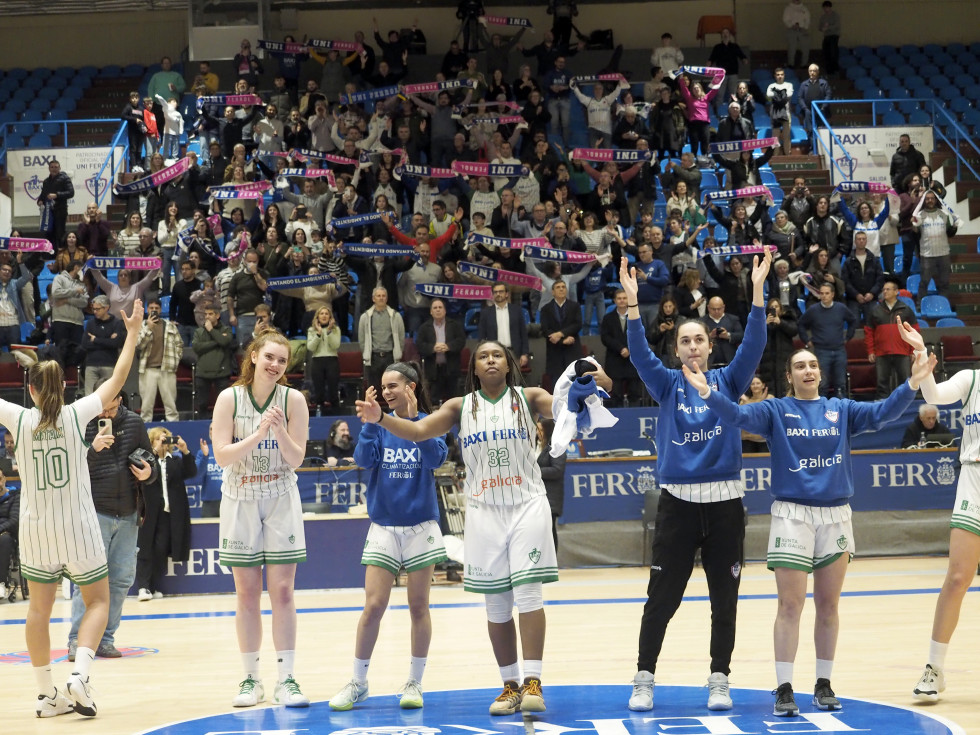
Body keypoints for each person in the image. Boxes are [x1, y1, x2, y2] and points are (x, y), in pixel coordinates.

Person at [356, 340, 611, 716]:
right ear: (473, 369)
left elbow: (585, 395)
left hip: (526, 505)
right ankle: (509, 685)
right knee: (496, 603)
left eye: (497, 356)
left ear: (509, 365)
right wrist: (379, 419)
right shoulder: (459, 407)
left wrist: (594, 378)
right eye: (482, 357)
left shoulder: (530, 396)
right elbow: (417, 432)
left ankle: (534, 681)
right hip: (482, 511)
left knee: (528, 595)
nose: (490, 360)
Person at [681, 341, 934, 716]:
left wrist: (911, 384)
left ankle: (823, 683)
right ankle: (784, 687)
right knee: (790, 605)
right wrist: (707, 392)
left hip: (836, 516)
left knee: (829, 605)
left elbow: (882, 413)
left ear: (821, 373)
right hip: (792, 515)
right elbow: (735, 416)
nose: (808, 370)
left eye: (813, 364)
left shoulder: (841, 410)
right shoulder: (775, 411)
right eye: (800, 366)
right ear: (789, 376)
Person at [619, 247, 772, 712]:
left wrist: (759, 292)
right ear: (678, 348)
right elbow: (641, 357)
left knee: (724, 598)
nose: (691, 347)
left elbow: (756, 345)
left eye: (698, 340)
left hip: (726, 505)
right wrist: (629, 305)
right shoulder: (666, 383)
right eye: (684, 341)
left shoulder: (728, 380)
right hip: (678, 505)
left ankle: (719, 677)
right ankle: (644, 677)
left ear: (709, 345)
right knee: (661, 598)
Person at [14, 299, 143, 718]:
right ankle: (80, 676)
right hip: (79, 525)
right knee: (98, 602)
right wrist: (133, 332)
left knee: (37, 611)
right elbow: (119, 375)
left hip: (35, 530)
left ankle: (46, 694)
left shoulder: (16, 419)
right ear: (65, 388)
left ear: (31, 390)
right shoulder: (76, 414)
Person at [329, 362, 448, 711]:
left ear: (411, 386)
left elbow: (436, 459)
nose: (387, 392)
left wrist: (413, 421)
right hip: (383, 525)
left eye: (393, 385)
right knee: (374, 605)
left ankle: (414, 682)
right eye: (383, 387)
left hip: (421, 526)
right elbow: (364, 461)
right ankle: (358, 681)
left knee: (418, 606)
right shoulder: (378, 425)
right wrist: (368, 425)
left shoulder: (430, 420)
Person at [211, 328, 310, 708]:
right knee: (247, 593)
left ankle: (287, 678)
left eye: (282, 361)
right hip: (240, 498)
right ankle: (251, 678)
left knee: (283, 591)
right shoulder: (228, 398)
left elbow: (296, 459)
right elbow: (222, 456)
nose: (275, 365)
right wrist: (259, 432)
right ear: (254, 356)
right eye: (269, 357)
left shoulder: (294, 400)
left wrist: (280, 429)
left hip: (281, 496)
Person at [136, 428, 196, 601]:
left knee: (161, 550)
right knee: (145, 548)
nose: (162, 443)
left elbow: (191, 472)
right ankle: (143, 587)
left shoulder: (175, 461)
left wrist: (184, 450)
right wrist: (154, 451)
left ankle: (152, 587)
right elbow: (139, 469)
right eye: (157, 439)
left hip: (168, 513)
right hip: (148, 512)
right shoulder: (147, 460)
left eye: (165, 440)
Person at [798, 283, 857, 398]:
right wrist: (806, 340)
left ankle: (841, 411)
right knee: (822, 384)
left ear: (833, 295)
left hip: (839, 350)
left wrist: (848, 336)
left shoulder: (841, 308)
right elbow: (801, 324)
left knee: (840, 384)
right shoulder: (813, 310)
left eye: (827, 293)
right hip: (821, 351)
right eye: (821, 293)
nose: (824, 296)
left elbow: (853, 321)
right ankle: (820, 409)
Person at [864, 277, 917, 398]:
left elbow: (914, 331)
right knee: (882, 382)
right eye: (883, 290)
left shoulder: (906, 310)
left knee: (905, 381)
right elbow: (868, 332)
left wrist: (913, 350)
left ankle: (905, 404)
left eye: (888, 289)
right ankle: (883, 406)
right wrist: (871, 351)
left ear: (896, 292)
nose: (885, 292)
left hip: (902, 351)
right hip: (881, 352)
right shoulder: (875, 310)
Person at [358, 287, 406, 407]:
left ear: (387, 298)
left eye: (383, 296)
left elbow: (401, 338)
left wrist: (397, 354)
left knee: (392, 389)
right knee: (374, 389)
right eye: (378, 296)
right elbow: (362, 339)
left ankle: (393, 414)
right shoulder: (365, 317)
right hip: (373, 358)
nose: (381, 298)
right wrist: (367, 353)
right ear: (373, 298)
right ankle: (374, 415)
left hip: (390, 357)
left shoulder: (395, 316)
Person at [137, 298, 183, 422]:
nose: (154, 310)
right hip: (147, 370)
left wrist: (175, 360)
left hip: (167, 369)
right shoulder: (142, 326)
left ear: (161, 310)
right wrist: (148, 329)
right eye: (151, 308)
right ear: (147, 310)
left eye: (156, 308)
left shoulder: (170, 326)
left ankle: (174, 431)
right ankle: (145, 433)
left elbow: (179, 345)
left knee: (171, 406)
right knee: (146, 406)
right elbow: (138, 345)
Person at [416, 299, 466, 406]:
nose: (438, 310)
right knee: (433, 401)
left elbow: (461, 341)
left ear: (445, 310)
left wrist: (449, 346)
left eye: (440, 307)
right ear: (431, 311)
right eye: (435, 308)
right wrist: (432, 348)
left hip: (451, 369)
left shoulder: (454, 325)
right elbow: (420, 345)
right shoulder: (424, 327)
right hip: (433, 371)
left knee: (454, 400)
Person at [600, 290, 644, 407]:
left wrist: (629, 349)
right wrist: (620, 348)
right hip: (615, 360)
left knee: (635, 393)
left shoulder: (636, 317)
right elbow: (605, 337)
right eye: (619, 298)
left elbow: (640, 335)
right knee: (615, 394)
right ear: (614, 301)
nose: (622, 300)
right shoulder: (608, 318)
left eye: (624, 298)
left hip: (633, 360)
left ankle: (634, 419)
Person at [191, 306, 235, 417]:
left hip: (222, 372)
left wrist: (211, 330)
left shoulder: (226, 329)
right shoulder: (199, 331)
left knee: (224, 403)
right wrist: (217, 341)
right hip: (202, 372)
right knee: (202, 404)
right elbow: (197, 347)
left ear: (218, 315)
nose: (207, 317)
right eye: (206, 314)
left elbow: (225, 342)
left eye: (210, 314)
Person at [540, 280, 582, 392]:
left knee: (575, 384)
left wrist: (560, 334)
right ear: (553, 292)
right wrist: (562, 341)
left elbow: (577, 324)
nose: (561, 289)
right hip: (555, 353)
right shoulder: (545, 309)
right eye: (558, 287)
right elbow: (545, 330)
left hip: (572, 350)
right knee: (557, 387)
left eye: (563, 287)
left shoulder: (575, 306)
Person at [478, 283, 530, 370]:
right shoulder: (486, 313)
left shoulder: (516, 310)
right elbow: (481, 336)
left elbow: (523, 333)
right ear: (492, 294)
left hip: (514, 353)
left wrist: (524, 354)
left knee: (514, 381)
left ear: (507, 294)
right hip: (494, 354)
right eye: (495, 292)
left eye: (501, 291)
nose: (498, 294)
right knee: (495, 382)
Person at [81, 296, 124, 397]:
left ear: (106, 308)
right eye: (93, 309)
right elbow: (85, 344)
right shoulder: (91, 323)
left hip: (109, 364)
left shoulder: (116, 323)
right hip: (91, 364)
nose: (95, 311)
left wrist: (96, 340)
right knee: (89, 397)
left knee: (110, 396)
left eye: (97, 309)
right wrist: (108, 340)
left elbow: (116, 343)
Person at [536, 419, 566, 552]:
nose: (537, 432)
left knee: (549, 530)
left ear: (548, 430)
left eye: (540, 430)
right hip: (536, 496)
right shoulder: (535, 445)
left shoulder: (556, 447)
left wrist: (534, 472)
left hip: (550, 497)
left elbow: (557, 470)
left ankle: (552, 562)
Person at [306, 306, 342, 416]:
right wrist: (319, 333)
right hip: (317, 361)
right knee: (318, 390)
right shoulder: (311, 330)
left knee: (333, 389)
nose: (324, 316)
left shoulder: (336, 330)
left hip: (332, 360)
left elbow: (336, 345)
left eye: (327, 314)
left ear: (331, 317)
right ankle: (320, 413)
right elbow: (310, 347)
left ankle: (335, 414)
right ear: (317, 317)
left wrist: (329, 331)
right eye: (321, 314)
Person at [36, 160, 74, 247]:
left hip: (60, 211)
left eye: (56, 167)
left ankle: (62, 256)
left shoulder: (65, 178)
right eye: (52, 167)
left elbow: (71, 193)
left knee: (60, 234)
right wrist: (39, 201)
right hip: (48, 213)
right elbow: (43, 194)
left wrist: (57, 195)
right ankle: (50, 256)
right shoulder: (46, 181)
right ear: (49, 169)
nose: (54, 169)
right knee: (49, 235)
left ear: (59, 168)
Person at [796, 64, 831, 143]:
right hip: (808, 111)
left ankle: (821, 150)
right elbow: (800, 98)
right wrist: (805, 108)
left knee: (821, 130)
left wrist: (823, 107)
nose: (812, 73)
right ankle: (812, 149)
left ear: (818, 72)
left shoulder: (824, 83)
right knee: (810, 130)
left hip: (821, 111)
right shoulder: (803, 84)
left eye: (814, 71)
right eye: (810, 71)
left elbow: (828, 95)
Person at [739, 376, 771, 453]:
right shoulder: (743, 402)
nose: (755, 386)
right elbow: (740, 417)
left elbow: (761, 411)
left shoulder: (769, 398)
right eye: (752, 384)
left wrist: (747, 402)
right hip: (747, 440)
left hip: (763, 440)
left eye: (758, 383)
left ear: (763, 385)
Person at [767, 68, 795, 155]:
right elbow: (768, 95)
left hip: (786, 114)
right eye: (778, 74)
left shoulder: (789, 85)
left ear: (784, 75)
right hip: (775, 115)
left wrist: (775, 94)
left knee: (786, 136)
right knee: (775, 137)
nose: (780, 76)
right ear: (775, 76)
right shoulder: (771, 86)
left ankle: (787, 155)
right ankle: (775, 156)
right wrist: (783, 93)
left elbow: (789, 94)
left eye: (782, 74)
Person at [0, 468, 18, 601]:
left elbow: (14, 520)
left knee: (4, 540)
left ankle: (1, 583)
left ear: (4, 479)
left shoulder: (14, 496)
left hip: (7, 535)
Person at [783, 0, 811, 69]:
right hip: (792, 29)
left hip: (802, 29)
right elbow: (785, 19)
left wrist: (805, 27)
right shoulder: (788, 8)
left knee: (805, 47)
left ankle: (804, 64)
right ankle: (791, 64)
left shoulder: (804, 8)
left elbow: (807, 19)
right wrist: (791, 25)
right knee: (792, 47)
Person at [818, 1, 841, 77]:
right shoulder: (823, 17)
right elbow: (820, 27)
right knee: (826, 52)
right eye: (824, 8)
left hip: (834, 35)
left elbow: (837, 25)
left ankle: (835, 69)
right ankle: (829, 70)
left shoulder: (835, 15)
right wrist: (822, 28)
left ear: (830, 7)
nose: (826, 9)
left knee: (833, 52)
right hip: (826, 36)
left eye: (827, 7)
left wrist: (827, 27)